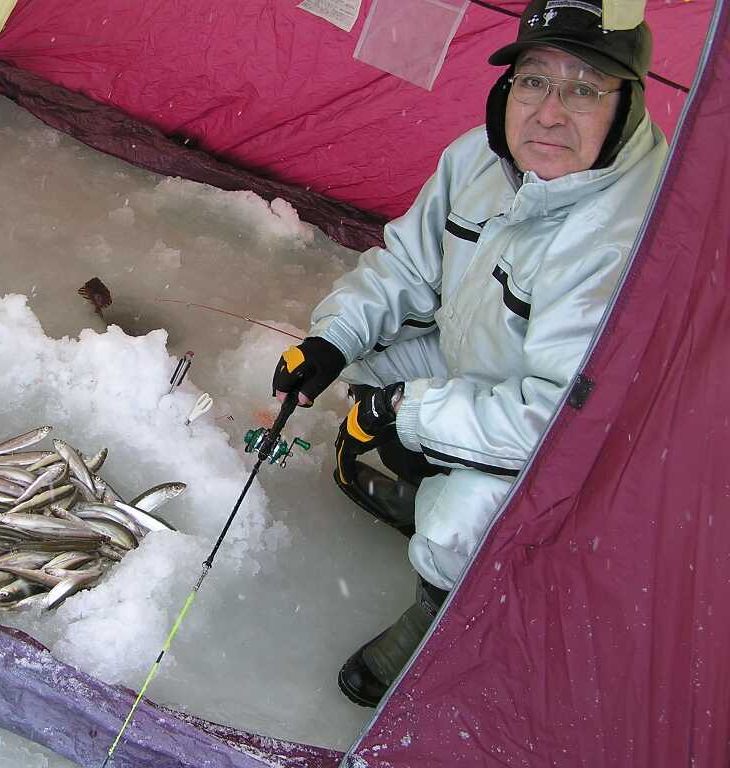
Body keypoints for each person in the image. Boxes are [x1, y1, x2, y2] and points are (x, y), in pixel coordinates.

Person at [271, 0, 668, 708]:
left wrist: (410, 414)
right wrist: (332, 339)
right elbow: (408, 268)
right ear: (507, 86)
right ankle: (429, 480)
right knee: (359, 362)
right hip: (476, 369)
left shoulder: (628, 240)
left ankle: (439, 603)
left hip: (579, 447)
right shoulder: (478, 158)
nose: (549, 113)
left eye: (583, 88)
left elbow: (560, 423)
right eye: (534, 80)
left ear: (628, 103)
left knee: (458, 526)